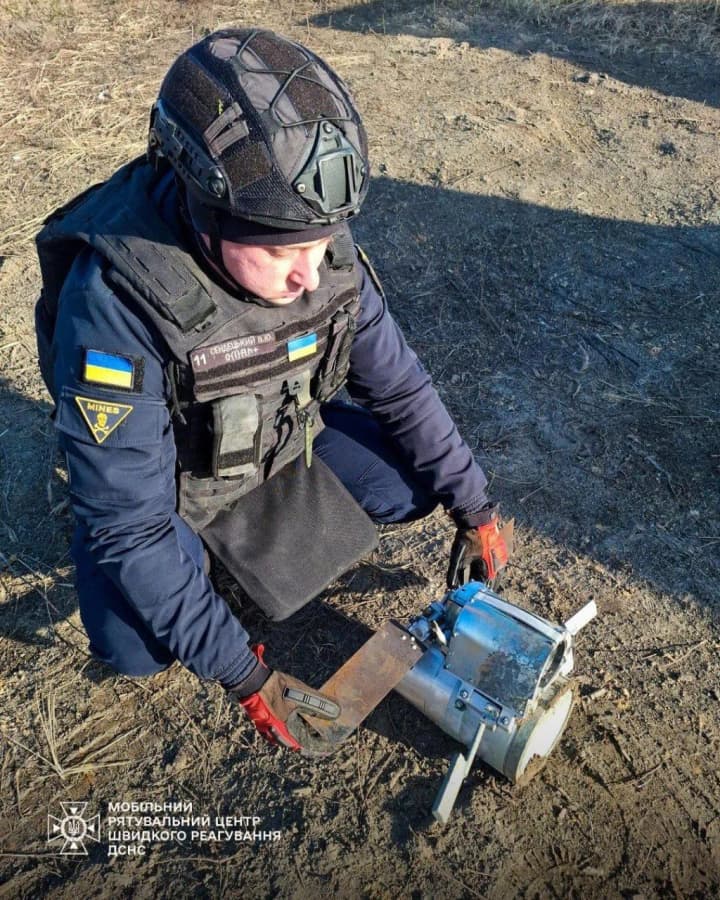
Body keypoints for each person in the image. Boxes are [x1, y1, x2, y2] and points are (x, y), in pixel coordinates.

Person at [34, 28, 509, 754]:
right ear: (208, 211)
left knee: (416, 482)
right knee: (134, 650)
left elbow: (401, 386)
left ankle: (222, 565)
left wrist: (475, 504)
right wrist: (245, 676)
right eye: (283, 251)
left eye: (321, 245)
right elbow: (130, 529)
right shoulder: (118, 300)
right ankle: (196, 570)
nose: (310, 276)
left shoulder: (317, 241)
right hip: (171, 495)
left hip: (271, 448)